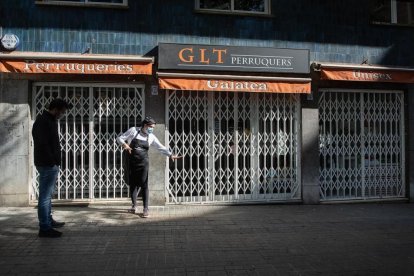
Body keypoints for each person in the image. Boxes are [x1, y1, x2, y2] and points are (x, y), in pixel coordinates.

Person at [117, 116, 181, 218]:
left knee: (144, 185)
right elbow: (119, 138)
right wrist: (125, 145)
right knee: (133, 184)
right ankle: (134, 206)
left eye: (153, 127)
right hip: (131, 162)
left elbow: (161, 147)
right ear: (145, 125)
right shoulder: (133, 131)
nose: (152, 129)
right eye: (151, 127)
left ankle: (145, 209)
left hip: (143, 163)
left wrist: (170, 155)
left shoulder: (151, 137)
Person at [32, 98, 70, 238]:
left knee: (47, 196)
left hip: (48, 163)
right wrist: (52, 161)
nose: (62, 114)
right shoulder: (43, 121)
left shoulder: (48, 120)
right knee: (45, 197)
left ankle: (48, 220)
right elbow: (42, 143)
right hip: (47, 164)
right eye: (62, 112)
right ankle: (45, 227)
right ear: (56, 109)